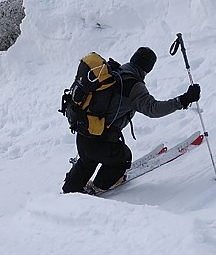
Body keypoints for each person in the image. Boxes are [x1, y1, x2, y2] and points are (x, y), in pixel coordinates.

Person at [62, 46, 200, 194]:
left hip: (84, 132)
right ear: (148, 69)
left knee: (86, 161)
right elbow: (153, 109)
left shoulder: (114, 72)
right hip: (100, 141)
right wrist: (183, 100)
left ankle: (69, 189)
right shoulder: (134, 86)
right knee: (123, 158)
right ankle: (99, 186)